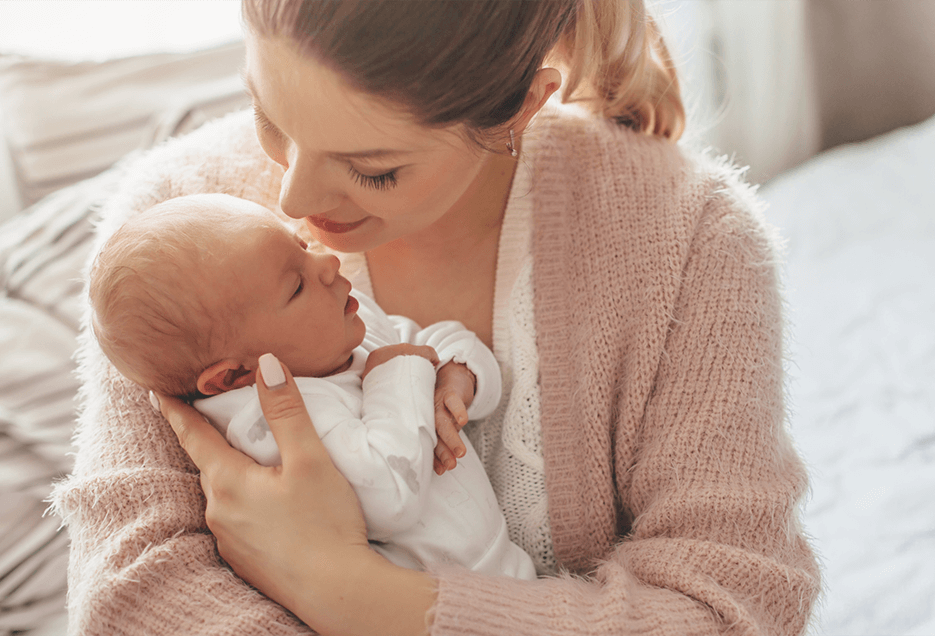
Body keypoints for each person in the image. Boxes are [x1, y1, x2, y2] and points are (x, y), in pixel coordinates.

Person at [53, 1, 822, 634]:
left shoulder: (690, 241)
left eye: (373, 169)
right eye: (269, 115)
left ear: (521, 106)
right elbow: (130, 593)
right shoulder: (172, 230)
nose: (293, 202)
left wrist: (349, 595)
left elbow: (732, 608)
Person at [86, 193, 536, 580]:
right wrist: (397, 372)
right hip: (434, 602)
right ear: (233, 376)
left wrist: (458, 377)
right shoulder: (269, 425)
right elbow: (390, 497)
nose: (327, 262)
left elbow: (438, 340)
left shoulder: (342, 334)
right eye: (296, 285)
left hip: (505, 568)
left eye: (301, 245)